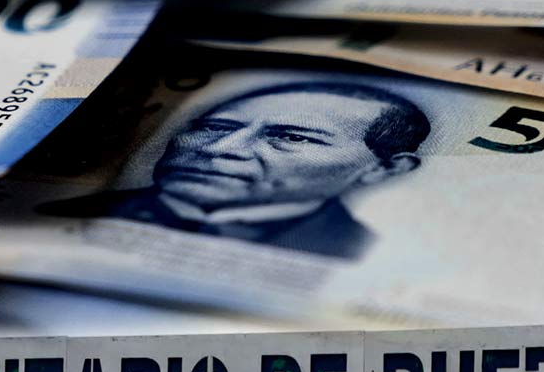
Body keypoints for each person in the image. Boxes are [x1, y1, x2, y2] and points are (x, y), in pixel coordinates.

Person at [39, 81, 431, 259]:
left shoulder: (365, 257)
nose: (220, 150)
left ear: (384, 169)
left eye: (293, 138)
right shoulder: (51, 216)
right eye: (214, 128)